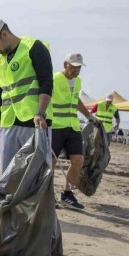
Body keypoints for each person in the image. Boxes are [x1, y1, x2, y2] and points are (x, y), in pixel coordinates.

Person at [0, 19, 54, 176]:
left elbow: (46, 83)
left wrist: (40, 113)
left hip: (34, 123)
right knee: (8, 177)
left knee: (35, 176)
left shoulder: (34, 48)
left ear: (4, 34)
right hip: (8, 125)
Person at [51, 53, 98, 209]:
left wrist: (89, 116)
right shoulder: (54, 79)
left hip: (73, 127)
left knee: (78, 160)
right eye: (74, 67)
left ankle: (67, 194)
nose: (76, 71)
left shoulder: (77, 82)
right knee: (51, 161)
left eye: (79, 67)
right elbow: (43, 96)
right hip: (56, 126)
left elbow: (76, 101)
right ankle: (46, 194)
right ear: (66, 64)